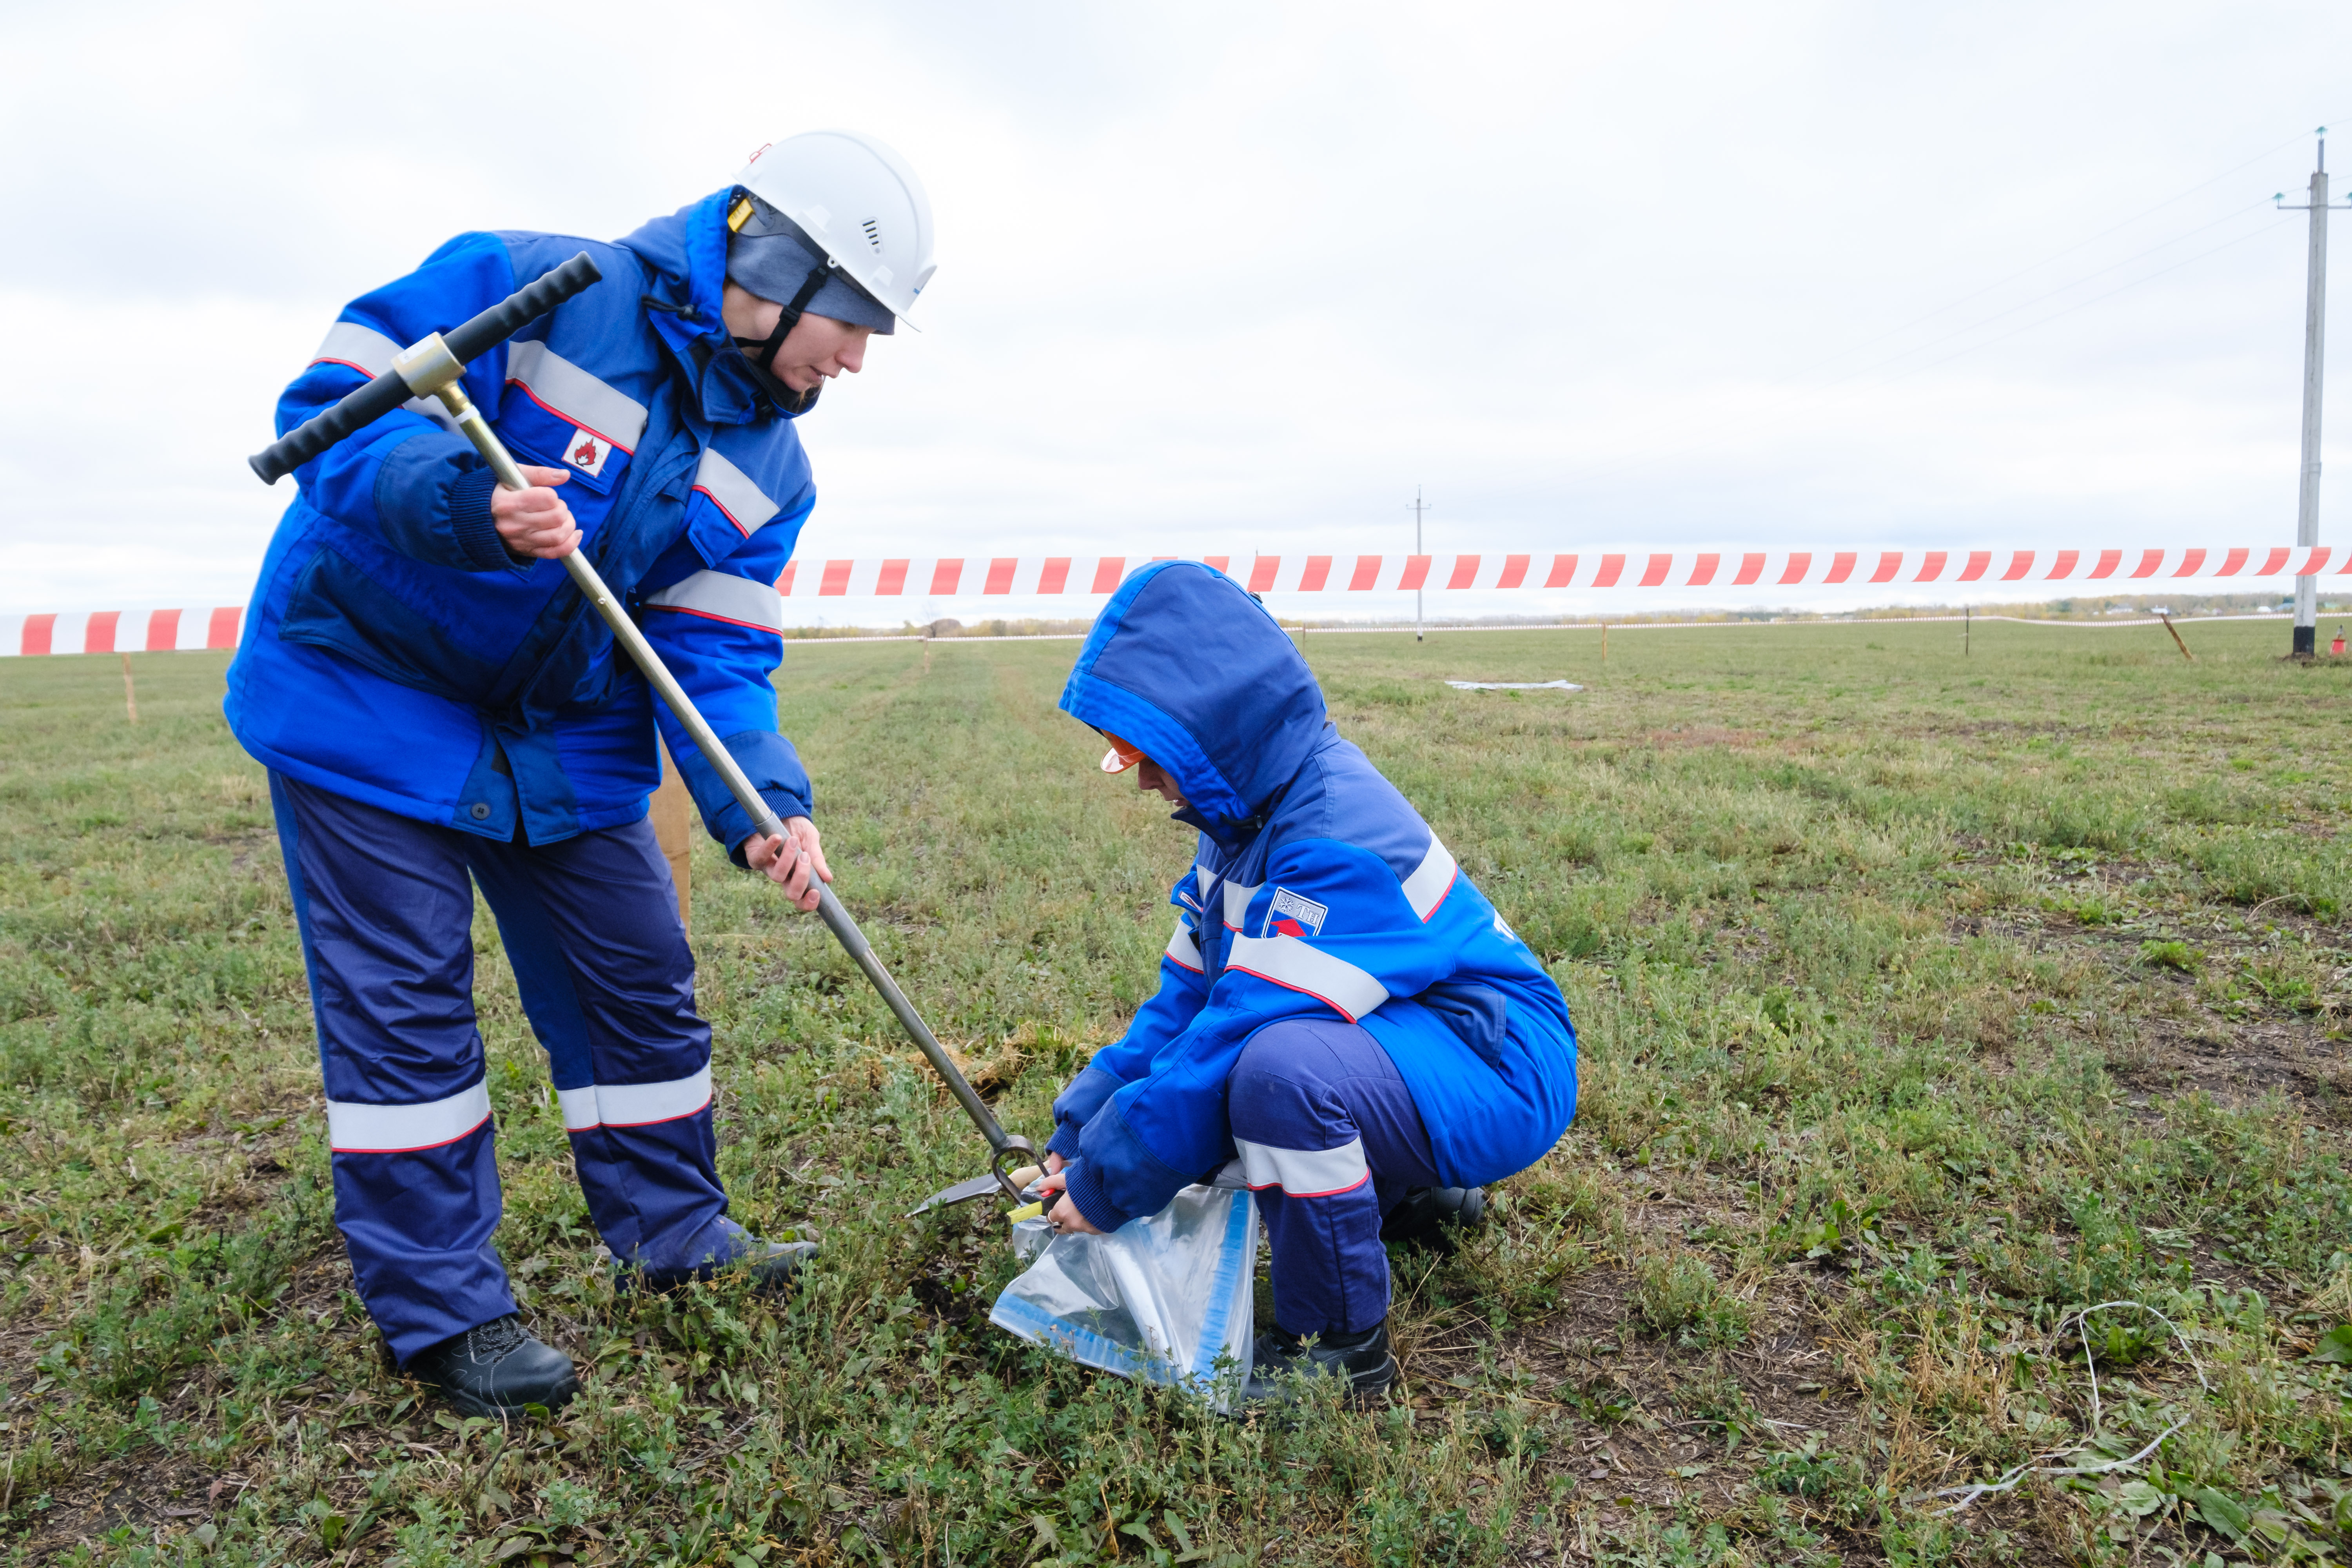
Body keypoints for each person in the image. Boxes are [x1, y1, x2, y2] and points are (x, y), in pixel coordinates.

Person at [224, 131, 937, 1416]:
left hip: (561, 731)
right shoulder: (530, 283)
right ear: (768, 263)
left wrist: (767, 806)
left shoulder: (774, 464)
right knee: (410, 1009)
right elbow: (328, 422)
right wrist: (470, 504)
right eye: (849, 320)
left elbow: (714, 657)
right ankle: (445, 1310)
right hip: (368, 697)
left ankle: (676, 1244)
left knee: (638, 984)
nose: (854, 357)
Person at [1034, 563, 1579, 1403]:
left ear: (1209, 727)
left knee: (1277, 1070)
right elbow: (1181, 1004)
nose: (1139, 776)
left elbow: (1230, 1040)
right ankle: (1412, 1198)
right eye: (1122, 755)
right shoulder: (1240, 828)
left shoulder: (1330, 836)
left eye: (1144, 751)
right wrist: (1079, 1128)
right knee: (1278, 1056)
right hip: (1431, 1041)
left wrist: (1110, 1181)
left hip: (1503, 1067)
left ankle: (1339, 1346)